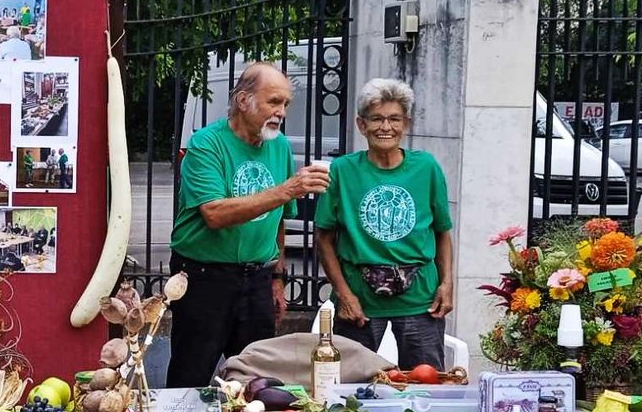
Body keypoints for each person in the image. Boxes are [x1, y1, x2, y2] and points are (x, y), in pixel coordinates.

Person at [165, 62, 330, 388]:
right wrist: (287, 189)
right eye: (273, 102)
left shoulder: (279, 145)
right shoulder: (207, 144)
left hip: (257, 277)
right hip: (203, 278)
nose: (281, 112)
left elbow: (279, 219)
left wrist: (278, 277)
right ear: (243, 100)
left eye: (285, 104)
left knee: (257, 383)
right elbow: (214, 214)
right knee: (191, 376)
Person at [315, 78, 454, 369]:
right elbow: (324, 238)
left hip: (420, 299)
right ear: (361, 125)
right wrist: (344, 294)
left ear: (407, 123)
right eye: (376, 119)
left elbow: (441, 232)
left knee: (425, 386)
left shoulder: (426, 168)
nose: (385, 127)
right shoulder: (342, 171)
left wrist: (446, 283)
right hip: (360, 301)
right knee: (351, 386)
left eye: (394, 119)